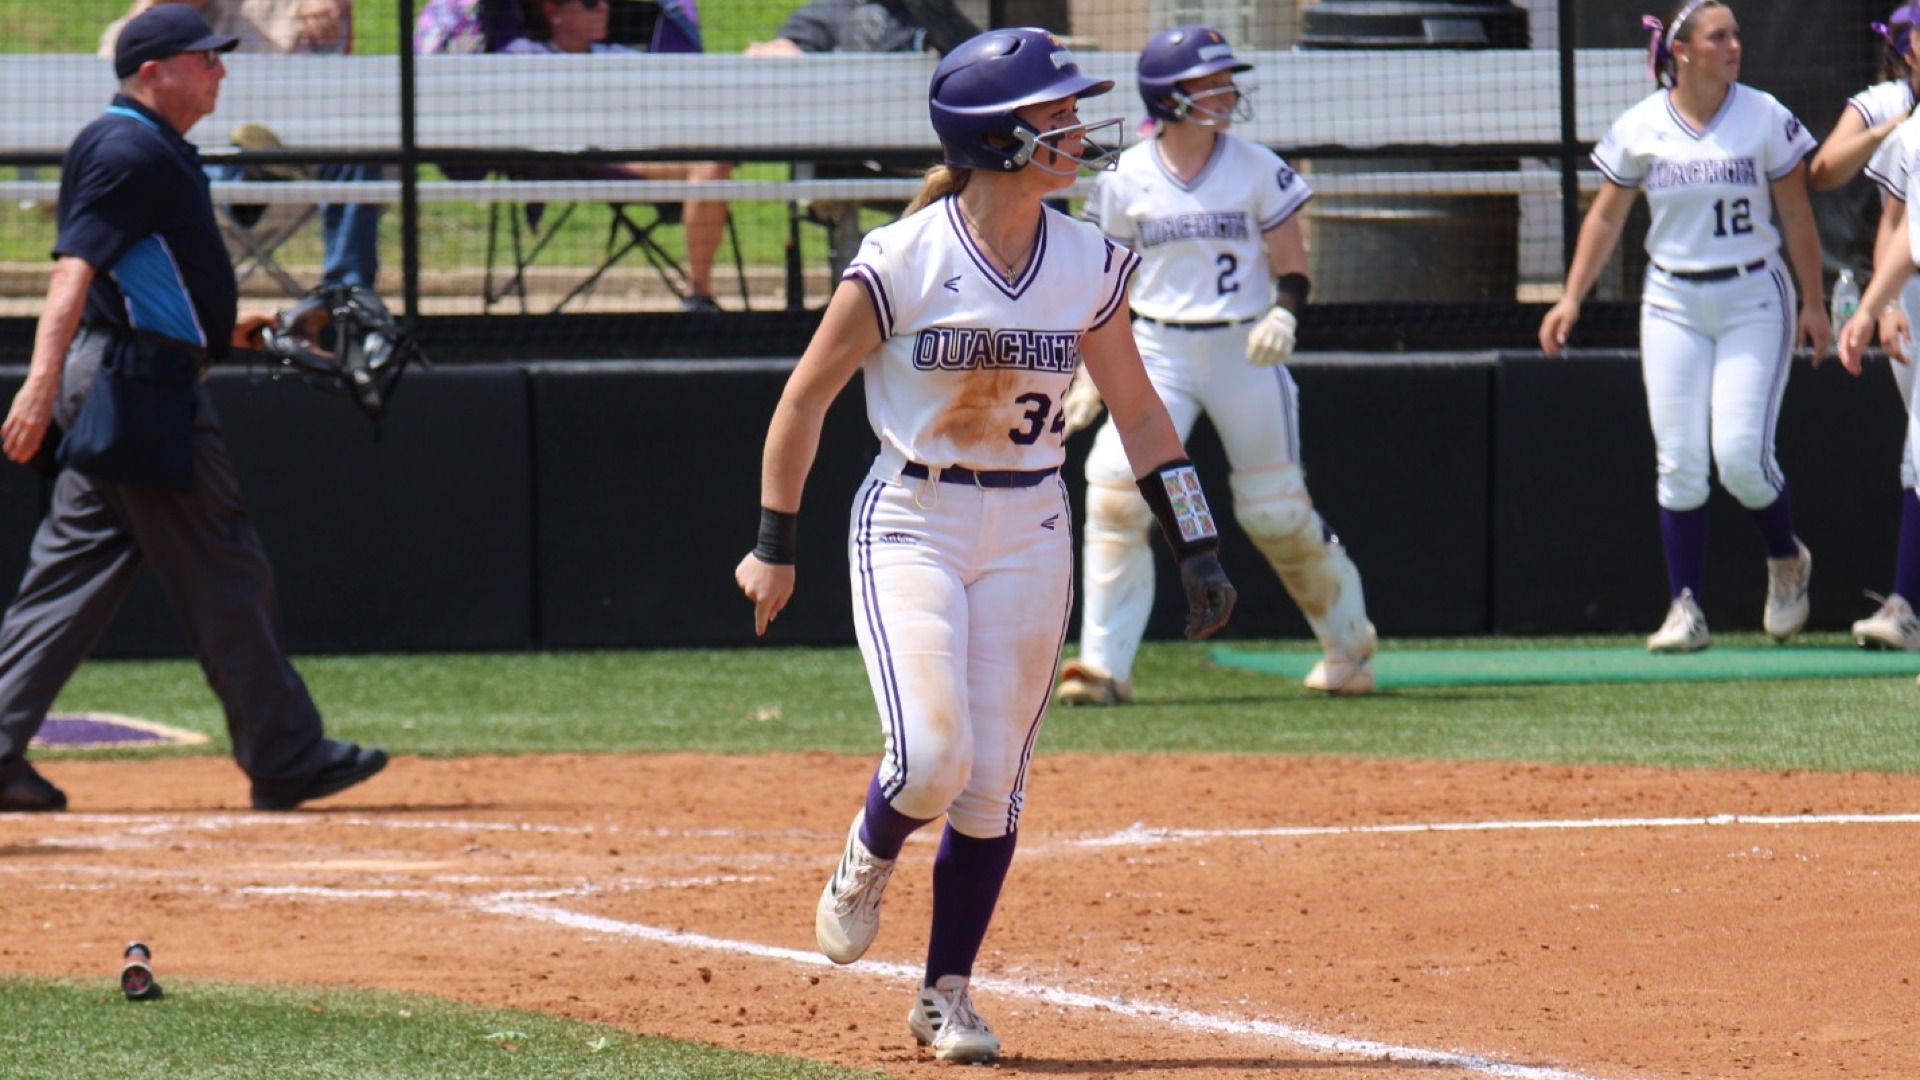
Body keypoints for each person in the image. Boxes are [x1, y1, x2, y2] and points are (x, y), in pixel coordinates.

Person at [733, 28, 1234, 1063]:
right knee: (925, 761)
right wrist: (773, 542)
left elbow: (1139, 415)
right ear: (996, 136)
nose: (1074, 130)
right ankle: (868, 854)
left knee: (992, 782)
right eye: (1054, 114)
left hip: (1031, 526)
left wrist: (1199, 541)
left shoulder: (1087, 259)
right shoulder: (902, 259)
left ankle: (944, 994)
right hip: (913, 519)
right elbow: (805, 398)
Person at [0, 5, 389, 813]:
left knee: (68, 579)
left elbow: (140, 282)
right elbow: (74, 273)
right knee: (225, 567)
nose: (221, 69)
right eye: (204, 59)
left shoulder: (145, 146)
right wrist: (36, 387)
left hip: (130, 377)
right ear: (154, 73)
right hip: (140, 392)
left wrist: (230, 334)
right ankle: (286, 756)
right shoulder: (127, 147)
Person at [1056, 26, 1376, 705]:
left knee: (1273, 513)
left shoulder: (1257, 166)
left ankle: (1350, 646)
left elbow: (1293, 265)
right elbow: (1100, 280)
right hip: (1157, 352)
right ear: (1170, 97)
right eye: (1211, 83)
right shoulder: (1127, 177)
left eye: (1227, 81)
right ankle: (1103, 666)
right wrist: (1091, 370)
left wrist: (1283, 313)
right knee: (1115, 492)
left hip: (1243, 349)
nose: (1227, 94)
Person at [1538, 0, 1826, 653]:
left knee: (1741, 460)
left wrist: (1813, 303)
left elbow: (1797, 214)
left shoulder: (1763, 115)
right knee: (1680, 462)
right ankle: (1685, 607)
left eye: (1736, 35)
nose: (1733, 46)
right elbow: (1607, 217)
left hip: (1754, 293)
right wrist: (1570, 298)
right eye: (1718, 36)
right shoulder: (1642, 125)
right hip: (1671, 298)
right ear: (1684, 52)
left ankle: (1786, 557)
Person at [497, 0, 734, 312]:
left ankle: (698, 295)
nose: (604, 9)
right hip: (564, 161)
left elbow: (675, 102)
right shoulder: (522, 57)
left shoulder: (619, 58)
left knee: (712, 165)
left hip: (629, 153)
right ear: (551, 10)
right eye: (590, 3)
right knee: (706, 167)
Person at [1813, 3, 1920, 652]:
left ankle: (1906, 603)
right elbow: (1901, 231)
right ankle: (1906, 605)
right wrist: (1881, 304)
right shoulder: (1903, 123)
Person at [743, 0, 978, 57]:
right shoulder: (838, 9)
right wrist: (779, 53)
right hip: (856, 160)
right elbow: (789, 46)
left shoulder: (965, 10)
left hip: (939, 154)